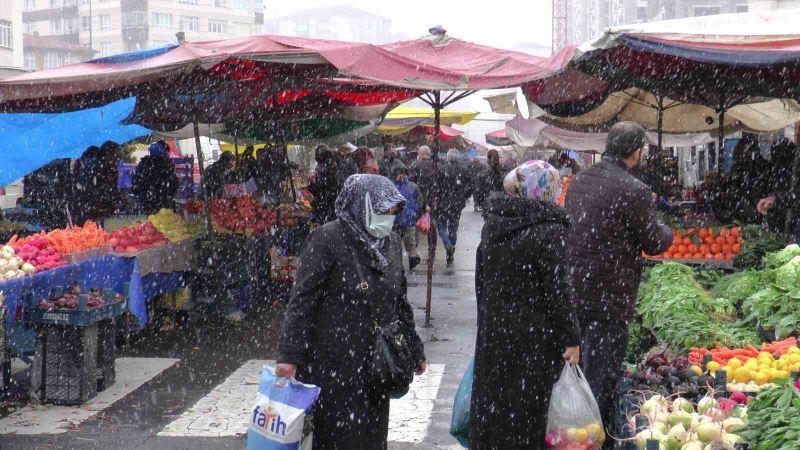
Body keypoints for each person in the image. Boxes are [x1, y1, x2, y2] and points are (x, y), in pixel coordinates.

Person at [276, 174, 427, 450]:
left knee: (371, 437)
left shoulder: (390, 244)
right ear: (363, 206)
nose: (389, 219)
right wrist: (289, 356)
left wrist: (415, 349)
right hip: (332, 366)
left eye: (393, 213)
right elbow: (302, 301)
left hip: (376, 366)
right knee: (337, 439)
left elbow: (400, 302)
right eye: (383, 211)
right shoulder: (327, 239)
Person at [565, 121, 672, 446]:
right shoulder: (635, 190)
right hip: (610, 295)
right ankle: (593, 438)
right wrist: (668, 229)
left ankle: (568, 431)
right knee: (602, 376)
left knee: (576, 369)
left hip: (575, 289)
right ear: (636, 151)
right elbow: (654, 241)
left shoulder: (581, 179)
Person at [470, 160, 581, 449]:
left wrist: (489, 322)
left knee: (498, 411)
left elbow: (481, 282)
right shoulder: (549, 231)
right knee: (529, 415)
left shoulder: (494, 224)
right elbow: (559, 291)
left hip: (496, 336)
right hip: (535, 341)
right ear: (545, 191)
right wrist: (571, 337)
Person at [73, 141, 122, 223]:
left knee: (86, 231)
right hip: (96, 209)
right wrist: (117, 201)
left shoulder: (85, 162)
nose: (117, 160)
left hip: (82, 206)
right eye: (117, 157)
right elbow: (106, 190)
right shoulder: (105, 167)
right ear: (109, 154)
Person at [438, 149, 472, 263]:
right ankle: (450, 250)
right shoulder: (464, 169)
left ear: (448, 157)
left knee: (441, 225)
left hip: (443, 202)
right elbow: (471, 185)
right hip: (457, 203)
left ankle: (447, 244)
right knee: (453, 227)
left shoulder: (442, 169)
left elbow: (437, 185)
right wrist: (464, 196)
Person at [131, 141, 179, 214]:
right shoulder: (166, 164)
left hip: (148, 201)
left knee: (151, 222)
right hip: (164, 201)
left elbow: (136, 182)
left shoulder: (144, 163)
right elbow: (174, 184)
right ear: (164, 152)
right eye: (167, 153)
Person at [393, 166, 424, 270]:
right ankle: (402, 262)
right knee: (398, 242)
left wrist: (415, 211)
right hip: (396, 219)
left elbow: (420, 200)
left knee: (409, 242)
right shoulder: (393, 186)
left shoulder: (412, 186)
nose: (401, 176)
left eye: (403, 173)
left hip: (408, 220)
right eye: (400, 173)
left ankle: (412, 259)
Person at [308, 145, 340, 225]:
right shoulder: (327, 167)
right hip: (325, 207)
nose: (318, 166)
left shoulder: (332, 170)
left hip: (327, 208)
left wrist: (313, 186)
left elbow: (327, 189)